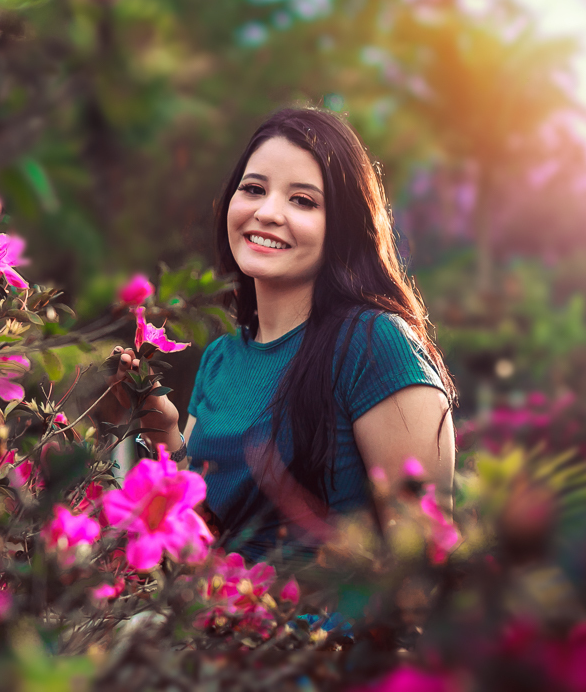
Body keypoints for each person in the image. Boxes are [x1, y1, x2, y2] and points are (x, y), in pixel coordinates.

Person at [108, 107, 457, 562]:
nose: (267, 212)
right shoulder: (222, 359)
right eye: (253, 189)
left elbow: (423, 557)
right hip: (210, 629)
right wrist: (163, 432)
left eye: (303, 201)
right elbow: (203, 536)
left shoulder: (374, 343)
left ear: (343, 228)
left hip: (321, 633)